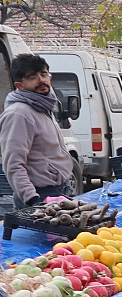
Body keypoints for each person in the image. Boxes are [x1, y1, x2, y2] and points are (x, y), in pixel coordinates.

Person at [0, 54, 75, 208]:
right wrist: (33, 200)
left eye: (44, 74)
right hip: (39, 195)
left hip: (59, 189)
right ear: (19, 85)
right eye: (32, 77)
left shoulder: (43, 105)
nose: (41, 80)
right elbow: (13, 164)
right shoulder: (19, 114)